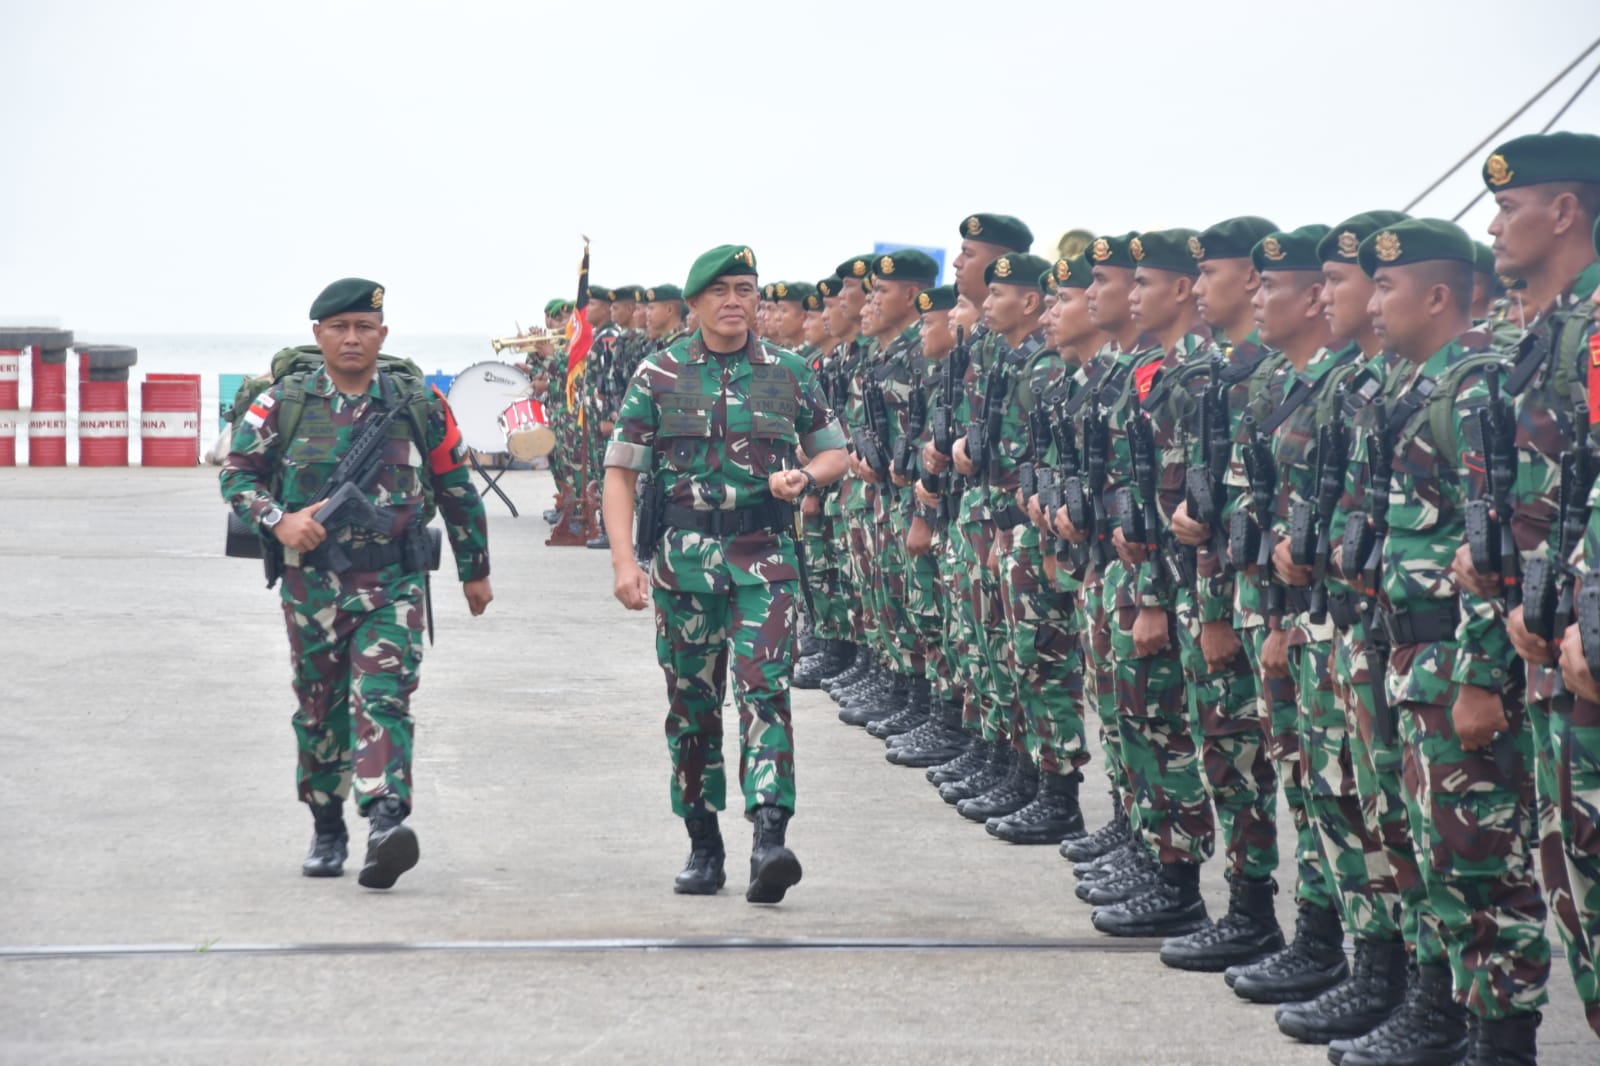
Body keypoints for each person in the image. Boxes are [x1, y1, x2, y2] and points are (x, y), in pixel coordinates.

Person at [219, 277, 493, 890]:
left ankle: (385, 823)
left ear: (382, 334)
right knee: (319, 709)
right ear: (318, 334)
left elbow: (455, 487)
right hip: (310, 586)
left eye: (364, 328)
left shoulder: (418, 404)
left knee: (383, 697)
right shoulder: (283, 403)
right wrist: (280, 520)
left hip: (392, 580)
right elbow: (237, 477)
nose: (351, 338)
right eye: (339, 328)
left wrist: (475, 570)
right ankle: (326, 827)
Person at [602, 245, 848, 904]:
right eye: (721, 291)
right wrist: (624, 561)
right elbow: (620, 472)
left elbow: (835, 452)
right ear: (696, 303)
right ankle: (703, 841)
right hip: (682, 565)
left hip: (765, 557)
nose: (735, 301)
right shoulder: (659, 373)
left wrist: (806, 476)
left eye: (745, 288)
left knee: (765, 688)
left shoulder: (789, 372)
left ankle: (769, 837)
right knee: (693, 706)